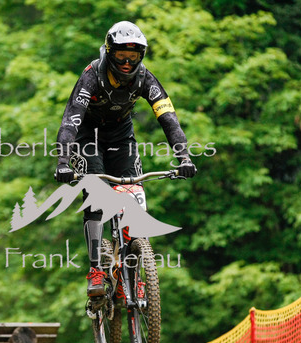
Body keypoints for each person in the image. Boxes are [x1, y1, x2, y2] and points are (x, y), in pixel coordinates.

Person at [54, 21, 197, 298]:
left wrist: (184, 157)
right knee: (96, 195)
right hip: (88, 138)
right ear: (109, 53)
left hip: (121, 138)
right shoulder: (92, 76)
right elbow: (70, 120)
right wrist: (63, 161)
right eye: (121, 56)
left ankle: (131, 271)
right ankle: (96, 270)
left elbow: (169, 119)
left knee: (133, 194)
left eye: (133, 56)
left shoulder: (145, 79)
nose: (128, 63)